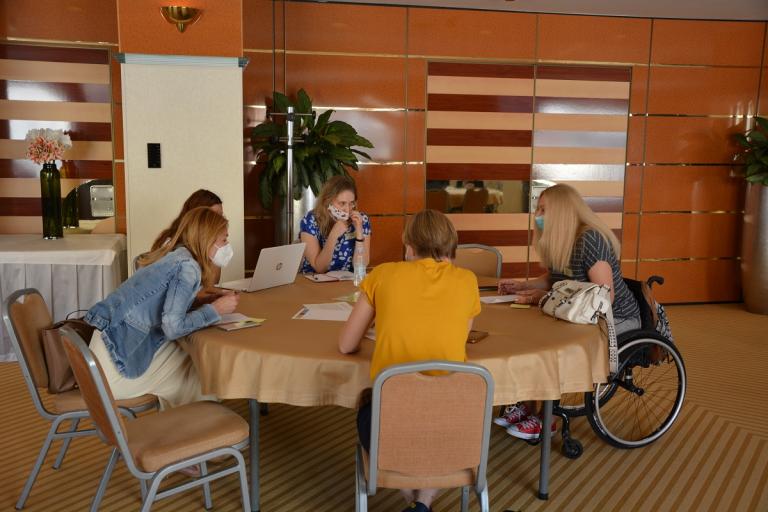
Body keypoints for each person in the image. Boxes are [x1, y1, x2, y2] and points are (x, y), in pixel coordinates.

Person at [338, 209, 480, 512]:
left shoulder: (383, 275)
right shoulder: (467, 281)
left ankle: (409, 495)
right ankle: (423, 502)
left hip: (390, 429)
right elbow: (456, 338)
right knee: (439, 425)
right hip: (453, 426)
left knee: (369, 405)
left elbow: (347, 345)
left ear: (409, 246)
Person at [495, 183, 641, 440]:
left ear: (562, 211)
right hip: (578, 314)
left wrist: (543, 298)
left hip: (614, 318)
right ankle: (528, 405)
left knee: (553, 346)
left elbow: (603, 297)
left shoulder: (589, 239)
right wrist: (524, 285)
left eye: (543, 209)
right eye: (538, 209)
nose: (538, 215)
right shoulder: (561, 239)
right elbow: (555, 279)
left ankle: (548, 419)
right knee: (532, 336)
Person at [85, 207, 238, 411]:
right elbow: (173, 327)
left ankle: (180, 421)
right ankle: (199, 423)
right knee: (198, 371)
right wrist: (215, 310)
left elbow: (162, 306)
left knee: (184, 357)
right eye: (224, 240)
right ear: (208, 239)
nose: (227, 246)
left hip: (102, 352)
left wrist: (200, 301)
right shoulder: (188, 268)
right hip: (116, 368)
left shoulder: (178, 255)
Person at [300, 175, 371, 274]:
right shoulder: (310, 220)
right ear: (327, 202)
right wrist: (333, 235)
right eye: (342, 203)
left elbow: (361, 267)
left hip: (347, 280)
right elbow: (319, 268)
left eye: (351, 203)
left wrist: (359, 232)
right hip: (314, 279)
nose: (347, 209)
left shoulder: (361, 220)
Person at [151, 189, 223, 251]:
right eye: (214, 216)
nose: (220, 221)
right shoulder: (173, 245)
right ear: (196, 215)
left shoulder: (206, 242)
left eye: (221, 216)